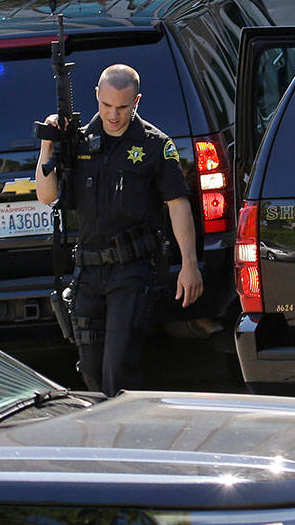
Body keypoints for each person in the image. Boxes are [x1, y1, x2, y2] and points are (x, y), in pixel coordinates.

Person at [35, 63, 202, 395]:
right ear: (97, 96)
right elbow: (46, 195)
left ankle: (123, 439)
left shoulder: (155, 145)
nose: (113, 115)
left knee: (118, 369)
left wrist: (189, 264)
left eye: (123, 107)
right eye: (107, 105)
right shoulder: (79, 141)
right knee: (92, 372)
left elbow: (178, 204)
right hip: (88, 272)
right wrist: (48, 146)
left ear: (136, 101)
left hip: (132, 271)